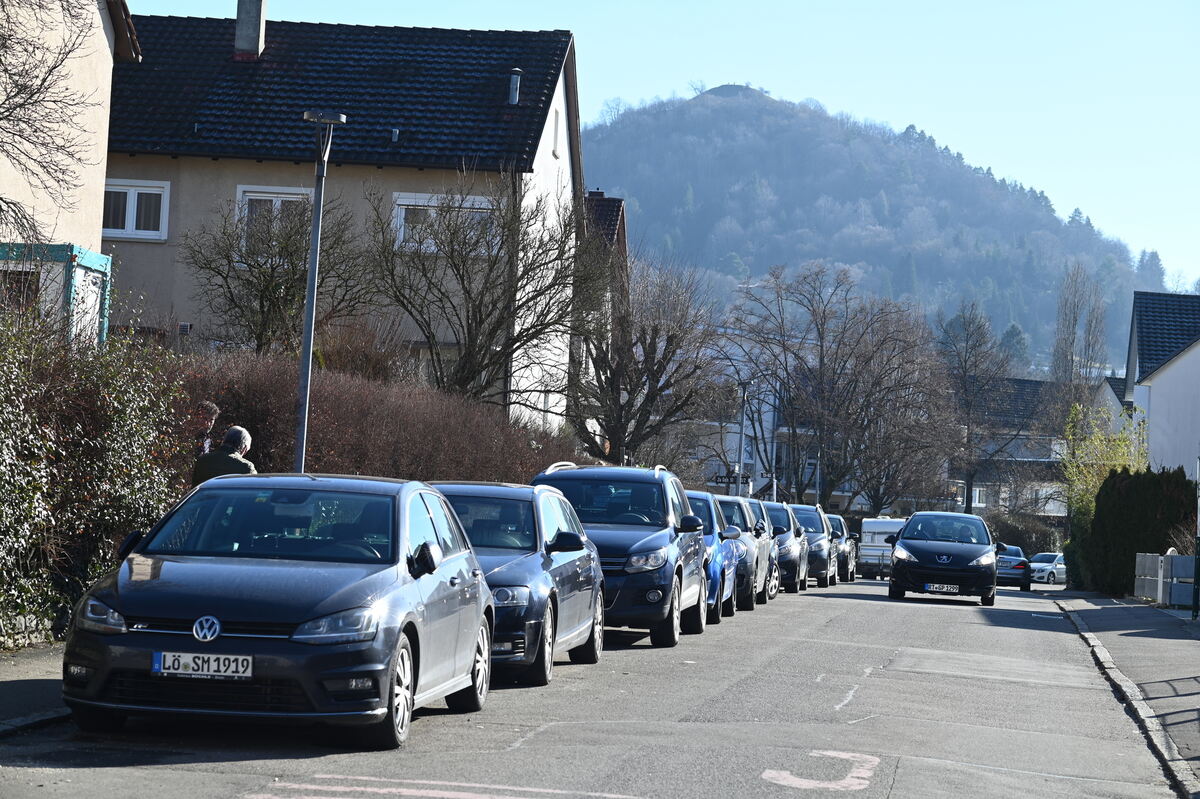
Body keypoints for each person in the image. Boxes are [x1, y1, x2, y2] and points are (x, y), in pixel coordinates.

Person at [191, 425, 257, 487]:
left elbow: (194, 489)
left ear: (223, 440)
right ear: (244, 449)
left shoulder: (203, 461)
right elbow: (255, 491)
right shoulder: (247, 468)